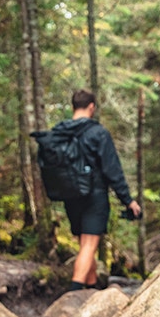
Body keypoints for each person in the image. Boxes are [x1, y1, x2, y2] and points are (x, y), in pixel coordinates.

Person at [57, 89, 142, 290]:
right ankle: (74, 294)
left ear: (73, 107)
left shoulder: (60, 133)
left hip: (70, 195)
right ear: (92, 107)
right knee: (88, 246)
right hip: (94, 196)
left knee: (85, 245)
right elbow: (112, 170)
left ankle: (92, 289)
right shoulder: (98, 133)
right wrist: (128, 200)